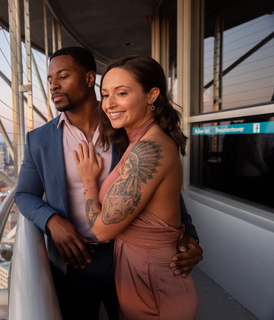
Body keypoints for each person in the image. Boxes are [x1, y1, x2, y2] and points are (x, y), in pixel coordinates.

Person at [14, 47, 203, 320]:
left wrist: (189, 235)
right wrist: (52, 221)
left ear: (90, 78)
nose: (53, 84)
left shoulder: (129, 129)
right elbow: (24, 193)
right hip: (74, 262)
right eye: (50, 79)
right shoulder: (39, 139)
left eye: (63, 76)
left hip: (126, 258)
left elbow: (162, 190)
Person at [74, 55, 198, 319]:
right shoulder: (136, 141)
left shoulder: (148, 149)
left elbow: (102, 229)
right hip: (141, 281)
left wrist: (88, 181)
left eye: (122, 93)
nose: (109, 104)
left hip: (156, 289)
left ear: (152, 95)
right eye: (105, 94)